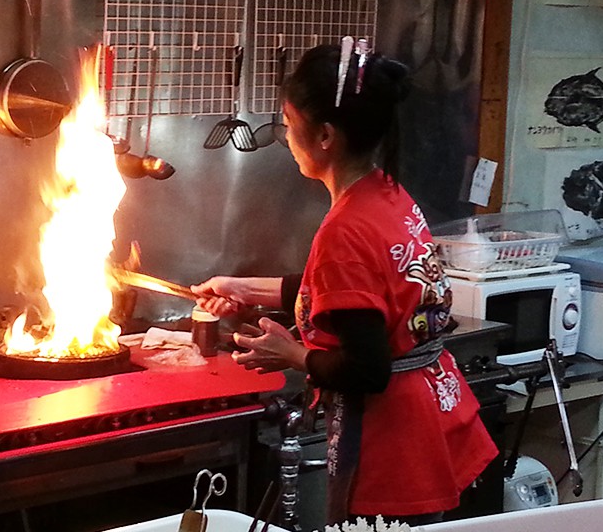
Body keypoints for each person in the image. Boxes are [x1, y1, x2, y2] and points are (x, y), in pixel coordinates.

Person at [191, 42, 498, 527]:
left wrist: (290, 354)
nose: (286, 137)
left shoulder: (344, 230)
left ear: (326, 135)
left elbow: (366, 369)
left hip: (393, 448)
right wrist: (248, 290)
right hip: (437, 411)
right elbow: (353, 298)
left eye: (290, 125)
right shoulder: (387, 192)